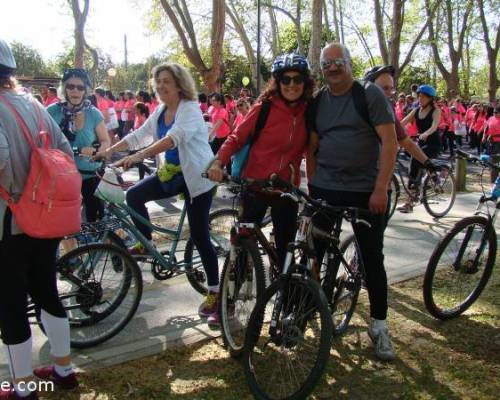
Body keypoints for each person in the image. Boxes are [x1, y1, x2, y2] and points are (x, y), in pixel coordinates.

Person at [94, 62, 220, 325]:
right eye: (158, 81)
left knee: (199, 234)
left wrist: (137, 156)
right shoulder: (161, 110)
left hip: (197, 177)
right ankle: (146, 244)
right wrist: (110, 151)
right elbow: (139, 135)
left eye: (167, 81)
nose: (161, 86)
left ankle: (215, 294)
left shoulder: (189, 109)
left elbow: (172, 139)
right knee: (133, 196)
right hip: (173, 173)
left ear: (179, 84)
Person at [307, 43, 398, 361]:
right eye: (326, 63)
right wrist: (313, 184)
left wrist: (381, 189)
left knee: (372, 258)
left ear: (349, 63)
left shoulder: (368, 94)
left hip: (365, 190)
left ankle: (379, 326)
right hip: (326, 187)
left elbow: (390, 142)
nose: (332, 67)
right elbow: (312, 146)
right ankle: (308, 304)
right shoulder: (318, 102)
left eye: (338, 62)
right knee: (311, 249)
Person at [0, 38, 78, 400]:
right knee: (47, 292)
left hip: (10, 222)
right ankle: (64, 371)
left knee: (12, 305)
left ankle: (24, 389)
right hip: (45, 218)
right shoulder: (32, 103)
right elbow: (62, 148)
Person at [207, 52, 313, 292]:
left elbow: (315, 150)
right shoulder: (264, 106)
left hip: (286, 188)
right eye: (286, 79)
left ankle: (286, 297)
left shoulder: (309, 111)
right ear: (277, 81)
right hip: (254, 184)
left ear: (306, 82)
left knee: (286, 250)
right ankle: (231, 301)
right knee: (243, 246)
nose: (292, 84)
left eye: (298, 79)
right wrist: (218, 162)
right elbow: (236, 137)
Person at [363, 66, 437, 218]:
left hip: (377, 182)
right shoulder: (354, 107)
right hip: (351, 181)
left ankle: (412, 197)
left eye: (391, 89)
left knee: (372, 237)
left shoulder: (387, 110)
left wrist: (428, 163)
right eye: (384, 88)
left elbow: (406, 141)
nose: (389, 93)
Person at [47, 69, 110, 223]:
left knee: (95, 223)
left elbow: (105, 141)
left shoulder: (94, 113)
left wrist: (98, 151)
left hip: (90, 175)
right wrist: (78, 150)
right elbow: (45, 145)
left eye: (80, 87)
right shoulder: (51, 112)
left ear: (86, 90)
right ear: (64, 88)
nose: (75, 90)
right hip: (62, 177)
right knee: (63, 223)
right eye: (71, 86)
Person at [400, 84, 441, 212]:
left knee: (415, 159)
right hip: (421, 142)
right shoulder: (416, 110)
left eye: (423, 96)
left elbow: (434, 126)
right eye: (419, 96)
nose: (420, 98)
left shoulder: (436, 111)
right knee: (413, 167)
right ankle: (410, 199)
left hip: (433, 143)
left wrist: (426, 133)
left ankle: (434, 176)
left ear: (430, 98)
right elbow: (403, 122)